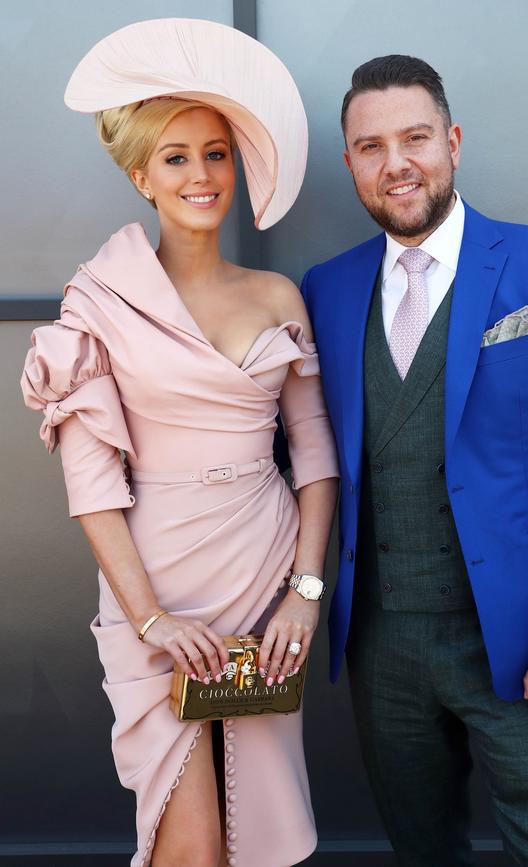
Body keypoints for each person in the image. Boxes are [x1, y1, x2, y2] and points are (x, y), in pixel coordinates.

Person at [21, 19, 338, 867]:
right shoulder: (99, 301)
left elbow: (314, 457)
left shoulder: (278, 295)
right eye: (176, 156)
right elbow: (91, 486)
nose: (201, 175)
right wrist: (151, 617)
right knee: (190, 843)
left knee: (260, 832)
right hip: (152, 589)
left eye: (216, 153)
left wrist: (306, 590)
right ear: (141, 176)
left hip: (267, 577)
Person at [301, 55, 528, 865]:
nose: (395, 162)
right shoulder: (327, 288)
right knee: (422, 848)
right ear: (350, 164)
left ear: (451, 142)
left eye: (415, 137)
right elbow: (297, 454)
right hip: (382, 644)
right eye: (370, 146)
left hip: (518, 636)